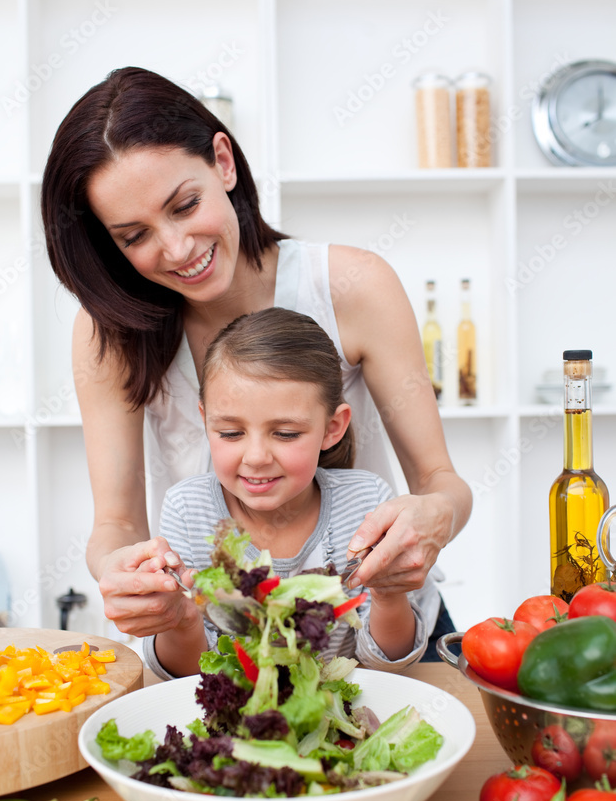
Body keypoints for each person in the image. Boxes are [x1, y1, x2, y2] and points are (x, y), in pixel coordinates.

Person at [41, 66, 471, 660]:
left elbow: (441, 483)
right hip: (222, 643)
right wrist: (121, 569)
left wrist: (432, 517)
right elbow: (116, 522)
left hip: (380, 630)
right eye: (134, 235)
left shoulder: (353, 285)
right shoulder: (108, 333)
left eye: (185, 205)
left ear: (223, 161)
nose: (177, 249)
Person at [144, 307, 422, 679]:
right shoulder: (187, 509)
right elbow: (188, 676)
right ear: (204, 419)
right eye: (230, 433)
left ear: (332, 427)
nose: (256, 458)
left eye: (286, 434)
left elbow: (388, 662)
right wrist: (180, 620)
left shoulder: (366, 501)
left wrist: (389, 595)